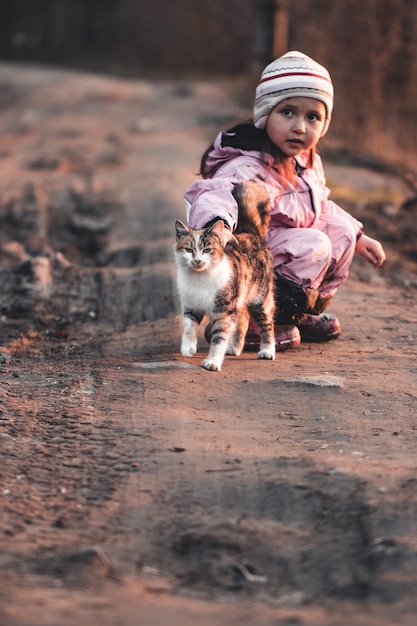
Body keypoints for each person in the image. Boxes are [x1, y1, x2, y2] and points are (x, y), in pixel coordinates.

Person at [183, 50, 386, 350]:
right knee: (314, 245)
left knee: (339, 230)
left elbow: (321, 207)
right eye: (287, 112)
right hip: (245, 267)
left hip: (277, 255)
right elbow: (215, 194)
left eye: (312, 117)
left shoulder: (306, 162)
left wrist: (358, 236)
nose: (300, 127)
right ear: (266, 113)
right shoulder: (250, 165)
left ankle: (295, 313)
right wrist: (217, 226)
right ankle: (250, 322)